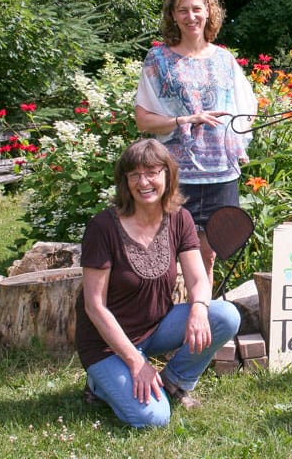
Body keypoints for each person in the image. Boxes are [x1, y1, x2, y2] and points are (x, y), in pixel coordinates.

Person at [75, 139, 241, 428]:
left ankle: (174, 382)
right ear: (124, 182)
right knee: (153, 418)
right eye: (134, 175)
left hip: (156, 327)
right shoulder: (102, 227)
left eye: (152, 172)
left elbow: (198, 277)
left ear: (168, 174)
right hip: (107, 343)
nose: (144, 182)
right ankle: (99, 384)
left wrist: (199, 309)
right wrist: (136, 363)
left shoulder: (179, 218)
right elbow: (95, 306)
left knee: (224, 315)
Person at [134, 0, 257, 287]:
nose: (191, 16)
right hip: (178, 174)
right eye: (183, 10)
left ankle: (202, 321)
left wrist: (236, 142)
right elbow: (143, 120)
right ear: (173, 16)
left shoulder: (225, 60)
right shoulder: (158, 61)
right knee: (168, 256)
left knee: (208, 254)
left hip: (220, 174)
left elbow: (247, 109)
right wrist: (184, 119)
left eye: (197, 9)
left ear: (208, 12)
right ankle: (167, 326)